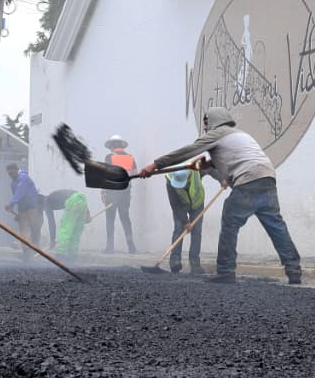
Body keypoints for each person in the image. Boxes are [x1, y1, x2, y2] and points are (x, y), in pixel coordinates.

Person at [140, 106, 302, 284]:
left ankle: (226, 271)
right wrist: (207, 164)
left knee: (229, 221)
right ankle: (294, 269)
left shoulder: (217, 133)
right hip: (267, 178)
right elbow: (231, 158)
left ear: (215, 120)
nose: (205, 128)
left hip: (247, 179)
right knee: (276, 226)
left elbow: (187, 151)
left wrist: (155, 165)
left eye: (206, 123)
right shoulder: (240, 135)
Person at [165, 166, 206, 275]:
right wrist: (186, 222)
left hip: (197, 203)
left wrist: (222, 179)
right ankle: (175, 261)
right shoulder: (170, 180)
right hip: (180, 205)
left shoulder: (196, 169)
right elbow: (175, 204)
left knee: (196, 231)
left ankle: (195, 264)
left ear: (188, 178)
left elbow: (212, 168)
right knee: (179, 229)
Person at [101, 134, 137, 254]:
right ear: (122, 146)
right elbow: (134, 174)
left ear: (112, 146)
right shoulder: (130, 158)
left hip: (112, 192)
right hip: (125, 192)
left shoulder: (109, 157)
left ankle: (110, 247)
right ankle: (131, 246)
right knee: (125, 218)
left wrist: (103, 192)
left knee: (110, 219)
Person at [5, 162, 43, 256]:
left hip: (33, 208)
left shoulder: (24, 178)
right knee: (24, 230)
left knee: (35, 228)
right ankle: (26, 252)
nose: (10, 175)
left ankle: (35, 249)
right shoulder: (13, 183)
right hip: (22, 210)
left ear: (17, 170)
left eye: (12, 173)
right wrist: (12, 207)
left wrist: (11, 204)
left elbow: (20, 191)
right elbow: (16, 195)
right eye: (9, 174)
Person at [53, 191, 89, 260]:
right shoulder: (55, 196)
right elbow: (79, 197)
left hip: (73, 200)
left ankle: (61, 253)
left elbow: (51, 221)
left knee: (66, 229)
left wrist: (52, 240)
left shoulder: (47, 202)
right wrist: (88, 214)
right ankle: (73, 255)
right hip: (83, 200)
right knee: (76, 230)